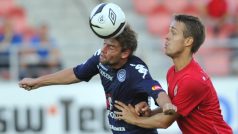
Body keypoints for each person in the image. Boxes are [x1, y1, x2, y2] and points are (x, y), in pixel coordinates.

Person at [19, 25, 176, 134]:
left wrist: (167, 104)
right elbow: (75, 73)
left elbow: (157, 90)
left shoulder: (135, 70)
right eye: (104, 44)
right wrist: (37, 82)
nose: (103, 50)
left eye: (111, 47)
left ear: (125, 53)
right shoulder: (100, 59)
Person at [114, 14, 233, 133]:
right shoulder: (172, 72)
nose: (167, 36)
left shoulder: (192, 80)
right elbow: (173, 108)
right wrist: (150, 113)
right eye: (168, 31)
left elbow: (165, 121)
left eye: (174, 33)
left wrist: (134, 119)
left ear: (188, 41)